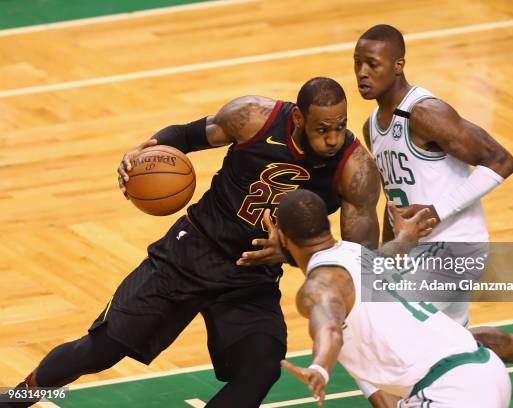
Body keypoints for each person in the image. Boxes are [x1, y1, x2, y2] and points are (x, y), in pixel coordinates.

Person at [1, 77, 382, 408]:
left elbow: (356, 262)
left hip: (249, 280)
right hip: (187, 255)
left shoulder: (354, 170)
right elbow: (185, 136)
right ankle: (16, 397)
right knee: (99, 351)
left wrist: (287, 254)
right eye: (322, 129)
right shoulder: (253, 117)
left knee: (262, 367)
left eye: (340, 127)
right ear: (298, 118)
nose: (333, 139)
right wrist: (145, 150)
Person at [352, 24, 513, 405]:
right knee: (457, 344)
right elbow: (402, 197)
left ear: (398, 65)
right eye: (357, 64)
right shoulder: (373, 126)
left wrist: (438, 210)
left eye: (372, 64)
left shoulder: (425, 112)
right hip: (422, 250)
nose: (362, 73)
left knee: (391, 329)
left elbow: (501, 161)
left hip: (453, 246)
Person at [276, 189, 511, 408]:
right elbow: (395, 250)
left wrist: (320, 367)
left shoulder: (318, 287)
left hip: (450, 392)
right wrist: (406, 236)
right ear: (326, 225)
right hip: (487, 371)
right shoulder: (356, 252)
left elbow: (330, 329)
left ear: (282, 236)